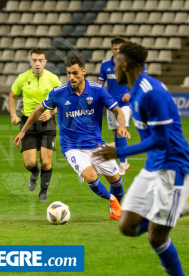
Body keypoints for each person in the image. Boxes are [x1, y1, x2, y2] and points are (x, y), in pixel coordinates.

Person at [95, 41, 189, 275]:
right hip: (153, 164)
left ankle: (187, 207)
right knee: (126, 226)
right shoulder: (134, 91)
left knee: (156, 237)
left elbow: (162, 140)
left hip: (174, 165)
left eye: (115, 65)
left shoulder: (150, 92)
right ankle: (186, 206)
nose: (113, 71)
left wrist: (120, 151)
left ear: (124, 65)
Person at [14, 55, 131, 220]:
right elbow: (38, 110)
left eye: (75, 73)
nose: (71, 77)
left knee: (117, 184)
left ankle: (114, 210)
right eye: (68, 73)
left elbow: (118, 111)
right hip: (73, 148)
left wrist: (121, 125)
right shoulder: (59, 93)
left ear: (84, 71)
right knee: (91, 176)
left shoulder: (97, 90)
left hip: (96, 145)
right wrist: (23, 131)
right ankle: (113, 202)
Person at [9, 47, 61, 203]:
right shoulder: (22, 78)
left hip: (48, 124)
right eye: (34, 60)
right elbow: (12, 96)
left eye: (40, 60)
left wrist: (52, 112)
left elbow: (63, 101)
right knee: (30, 162)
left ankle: (43, 193)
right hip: (28, 123)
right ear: (30, 61)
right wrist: (13, 115)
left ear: (45, 62)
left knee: (46, 161)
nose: (37, 63)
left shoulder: (53, 79)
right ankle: (34, 172)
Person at [98, 37, 132, 175]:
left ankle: (123, 164)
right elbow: (100, 83)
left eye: (120, 49)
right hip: (111, 103)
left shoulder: (129, 64)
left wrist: (130, 93)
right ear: (112, 49)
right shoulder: (105, 65)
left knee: (121, 129)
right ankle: (122, 162)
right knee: (115, 134)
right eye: (115, 48)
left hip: (125, 104)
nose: (118, 51)